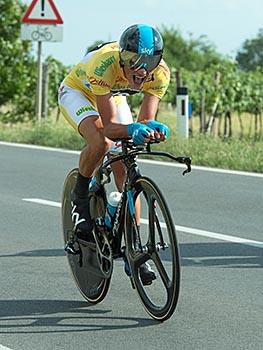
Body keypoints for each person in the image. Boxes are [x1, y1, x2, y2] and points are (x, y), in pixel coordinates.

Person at [58, 24, 170, 285]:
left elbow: (144, 119)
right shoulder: (103, 64)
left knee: (126, 162)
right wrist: (132, 128)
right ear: (122, 56)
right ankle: (81, 194)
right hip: (78, 92)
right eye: (133, 61)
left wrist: (151, 128)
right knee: (102, 143)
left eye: (149, 62)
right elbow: (109, 128)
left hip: (112, 95)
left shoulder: (160, 74)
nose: (141, 70)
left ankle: (135, 247)